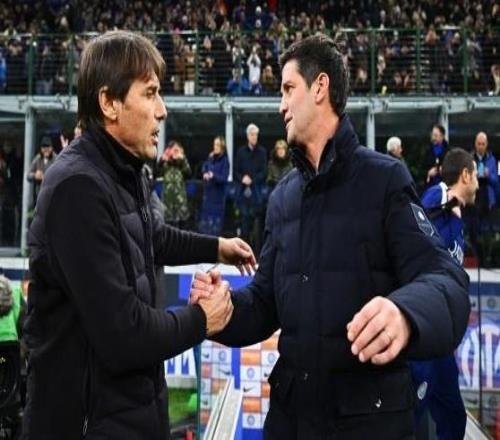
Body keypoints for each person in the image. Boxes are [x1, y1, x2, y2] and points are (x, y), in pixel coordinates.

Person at [190, 34, 470, 439]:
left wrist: (406, 313)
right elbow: (265, 302)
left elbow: (447, 281)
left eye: (288, 89)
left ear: (320, 87)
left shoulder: (385, 179)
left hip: (367, 425)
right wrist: (224, 309)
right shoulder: (282, 197)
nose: (281, 105)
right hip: (290, 422)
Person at [22, 30, 256, 440]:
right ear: (109, 103)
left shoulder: (124, 171)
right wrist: (203, 319)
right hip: (89, 426)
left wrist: (217, 248)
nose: (162, 110)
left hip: (130, 416)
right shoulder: (77, 188)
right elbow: (124, 335)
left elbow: (151, 237)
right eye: (150, 94)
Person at [411, 148, 478, 439]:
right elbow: (416, 222)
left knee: (453, 416)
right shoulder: (438, 194)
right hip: (423, 331)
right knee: (411, 415)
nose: (478, 184)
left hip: (441, 339)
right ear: (465, 175)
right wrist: (447, 201)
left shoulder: (457, 218)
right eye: (475, 176)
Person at [234, 123, 267, 249]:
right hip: (242, 192)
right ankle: (243, 248)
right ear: (248, 136)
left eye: (256, 135)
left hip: (256, 192)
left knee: (257, 222)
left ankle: (256, 249)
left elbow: (264, 171)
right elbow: (236, 170)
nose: (254, 137)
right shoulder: (241, 152)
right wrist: (242, 178)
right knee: (244, 220)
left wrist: (252, 180)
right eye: (252, 135)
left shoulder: (262, 152)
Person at [199, 135, 230, 236]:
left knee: (216, 228)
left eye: (217, 145)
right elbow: (204, 167)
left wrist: (213, 176)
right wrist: (205, 173)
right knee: (205, 227)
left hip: (218, 198)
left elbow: (224, 178)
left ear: (222, 147)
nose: (215, 147)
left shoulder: (225, 161)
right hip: (208, 196)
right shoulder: (211, 158)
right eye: (214, 144)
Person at [159, 140, 191, 228]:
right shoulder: (165, 163)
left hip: (180, 202)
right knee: (168, 227)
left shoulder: (182, 163)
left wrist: (183, 159)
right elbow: (156, 173)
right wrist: (161, 161)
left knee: (182, 227)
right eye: (173, 150)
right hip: (167, 202)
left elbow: (188, 174)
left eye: (177, 150)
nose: (174, 152)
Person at [27, 135, 56, 206]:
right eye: (44, 147)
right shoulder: (38, 158)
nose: (46, 149)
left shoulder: (56, 159)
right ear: (41, 148)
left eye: (48, 147)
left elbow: (60, 176)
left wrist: (46, 177)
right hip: (39, 196)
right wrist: (35, 175)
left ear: (52, 147)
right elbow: (28, 176)